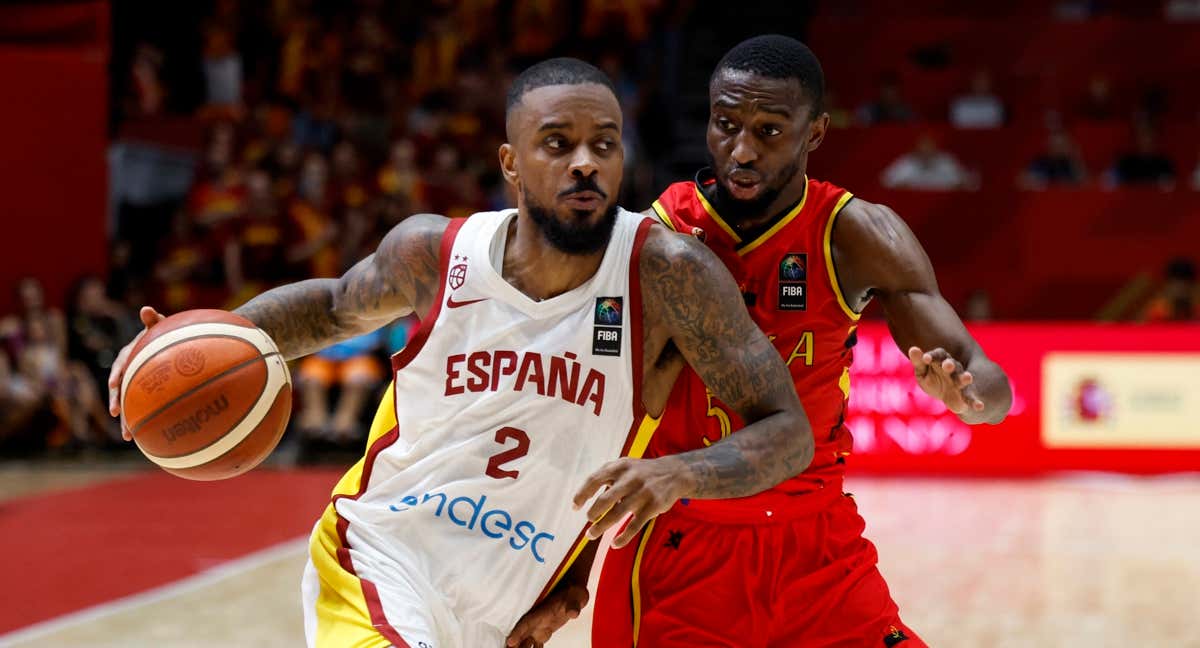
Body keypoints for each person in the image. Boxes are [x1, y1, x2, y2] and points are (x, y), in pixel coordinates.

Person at [106, 58, 812, 648]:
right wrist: (194, 339)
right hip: (381, 561)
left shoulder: (666, 275)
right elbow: (328, 308)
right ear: (511, 162)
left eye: (605, 144)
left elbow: (786, 429)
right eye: (558, 144)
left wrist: (678, 475)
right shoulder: (435, 252)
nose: (585, 164)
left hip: (503, 611)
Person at [579, 35, 1013, 647]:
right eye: (725, 125)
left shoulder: (857, 234)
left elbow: (992, 390)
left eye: (770, 130)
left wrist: (965, 395)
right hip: (681, 541)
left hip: (818, 546)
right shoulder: (662, 233)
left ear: (815, 133)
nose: (742, 150)